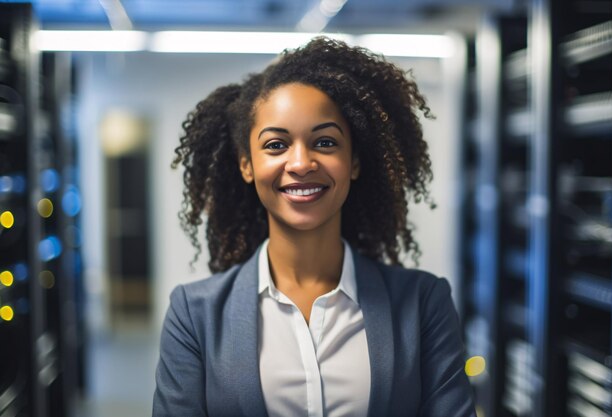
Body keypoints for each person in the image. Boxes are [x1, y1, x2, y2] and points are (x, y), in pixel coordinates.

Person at [153, 36, 476, 417]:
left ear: (353, 162)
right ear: (247, 164)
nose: (301, 162)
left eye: (325, 142)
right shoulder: (194, 314)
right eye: (276, 145)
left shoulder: (423, 304)